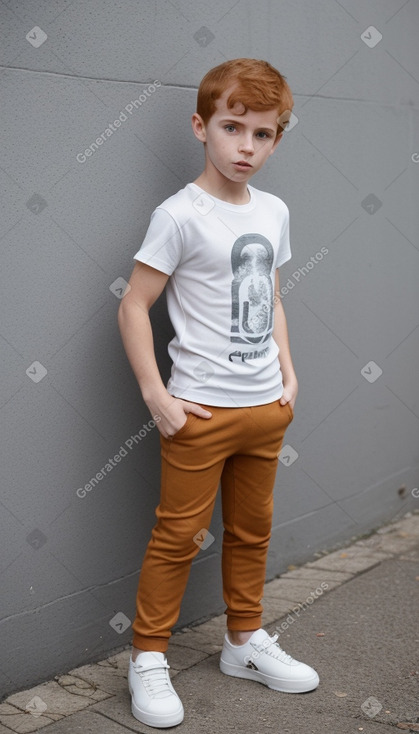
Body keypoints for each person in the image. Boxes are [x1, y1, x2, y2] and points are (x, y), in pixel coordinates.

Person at [118, 58, 319, 729]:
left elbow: (272, 299)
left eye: (262, 135)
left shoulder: (274, 210)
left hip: (265, 409)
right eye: (232, 128)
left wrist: (288, 373)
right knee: (177, 537)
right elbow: (133, 306)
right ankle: (147, 656)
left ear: (276, 141)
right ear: (201, 126)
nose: (245, 147)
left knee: (252, 532)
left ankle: (243, 641)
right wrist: (157, 396)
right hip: (199, 413)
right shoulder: (179, 214)